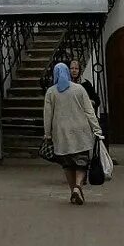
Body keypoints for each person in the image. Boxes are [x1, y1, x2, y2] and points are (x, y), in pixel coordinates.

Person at [43, 62, 103, 205]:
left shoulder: (51, 92)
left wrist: (47, 134)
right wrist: (97, 128)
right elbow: (89, 110)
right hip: (81, 131)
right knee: (81, 161)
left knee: (67, 163)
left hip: (61, 133)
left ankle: (73, 191)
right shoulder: (79, 89)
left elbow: (47, 115)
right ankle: (77, 188)